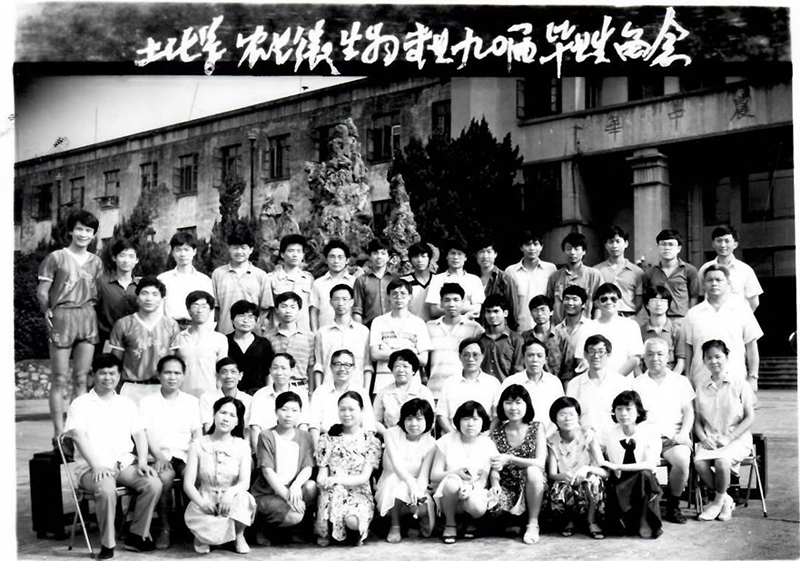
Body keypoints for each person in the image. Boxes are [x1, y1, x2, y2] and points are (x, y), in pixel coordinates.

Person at [64, 353, 162, 559]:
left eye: (112, 373)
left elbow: (139, 434)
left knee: (153, 483)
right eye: (102, 373)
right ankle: (108, 544)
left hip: (123, 464)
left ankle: (137, 536)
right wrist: (96, 465)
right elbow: (78, 437)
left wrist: (142, 461)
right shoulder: (80, 404)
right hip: (92, 468)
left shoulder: (126, 403)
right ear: (93, 375)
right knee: (106, 489)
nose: (107, 378)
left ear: (118, 376)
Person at [38, 209, 104, 446]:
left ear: (93, 234)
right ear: (71, 231)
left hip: (87, 316)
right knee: (59, 377)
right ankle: (58, 433)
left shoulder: (96, 262)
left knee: (81, 378)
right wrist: (47, 309)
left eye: (88, 230)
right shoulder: (56, 257)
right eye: (79, 229)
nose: (83, 234)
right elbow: (42, 291)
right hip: (62, 316)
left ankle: (77, 431)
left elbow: (99, 292)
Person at [138, 355, 202, 550]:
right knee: (164, 479)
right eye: (167, 372)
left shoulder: (191, 402)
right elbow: (145, 433)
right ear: (159, 375)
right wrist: (158, 456)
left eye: (177, 373)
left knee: (197, 477)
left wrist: (196, 456)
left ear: (183, 376)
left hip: (185, 455)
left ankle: (196, 526)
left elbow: (197, 434)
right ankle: (165, 527)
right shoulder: (147, 402)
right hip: (160, 456)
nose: (172, 377)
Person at [633, 338, 695, 524]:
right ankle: (642, 506)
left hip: (673, 437)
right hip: (645, 438)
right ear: (644, 358)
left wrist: (684, 433)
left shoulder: (680, 381)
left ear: (668, 356)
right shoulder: (636, 384)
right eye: (650, 354)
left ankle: (673, 505)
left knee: (682, 460)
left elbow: (689, 412)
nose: (655, 358)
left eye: (660, 354)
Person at [184, 396, 256, 554]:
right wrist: (202, 503)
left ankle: (238, 535)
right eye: (223, 413)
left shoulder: (242, 446)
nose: (226, 418)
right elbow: (188, 484)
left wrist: (230, 493)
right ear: (214, 414)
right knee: (205, 526)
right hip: (206, 498)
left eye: (232, 415)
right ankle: (202, 536)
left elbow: (245, 482)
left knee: (244, 498)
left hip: (231, 501)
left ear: (237, 422)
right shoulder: (198, 444)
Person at [693, 339, 756, 522]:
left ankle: (717, 502)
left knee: (722, 461)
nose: (713, 361)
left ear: (726, 357)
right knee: (699, 463)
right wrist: (703, 438)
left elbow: (750, 417)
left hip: (737, 438)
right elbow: (697, 421)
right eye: (709, 358)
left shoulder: (740, 384)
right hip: (711, 438)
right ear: (704, 361)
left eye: (718, 356)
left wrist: (730, 437)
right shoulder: (701, 387)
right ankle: (726, 500)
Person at [315, 391, 383, 546]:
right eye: (342, 409)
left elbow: (364, 477)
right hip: (332, 491)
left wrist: (337, 480)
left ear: (361, 410)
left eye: (351, 409)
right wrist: (324, 481)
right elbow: (322, 473)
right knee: (331, 494)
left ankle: (355, 531)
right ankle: (326, 530)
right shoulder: (326, 439)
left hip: (358, 492)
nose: (346, 414)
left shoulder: (371, 441)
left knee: (353, 522)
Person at [251, 391, 317, 542]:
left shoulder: (305, 436)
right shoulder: (266, 435)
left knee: (311, 487)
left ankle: (294, 529)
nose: (289, 415)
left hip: (292, 489)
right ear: (276, 411)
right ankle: (264, 527)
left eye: (294, 410)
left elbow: (307, 467)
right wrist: (288, 497)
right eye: (284, 409)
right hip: (268, 493)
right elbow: (267, 471)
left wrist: (295, 486)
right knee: (295, 515)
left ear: (300, 413)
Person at [430, 401, 500, 545]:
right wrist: (455, 473)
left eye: (475, 419)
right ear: (458, 421)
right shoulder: (446, 441)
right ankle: (450, 524)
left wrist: (476, 487)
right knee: (451, 482)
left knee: (476, 506)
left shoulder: (487, 444)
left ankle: (469, 522)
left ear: (483, 421)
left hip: (474, 491)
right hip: (448, 496)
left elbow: (487, 476)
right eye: (466, 419)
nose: (470, 424)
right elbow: (434, 475)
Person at [684, 264, 763, 390]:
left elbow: (751, 345)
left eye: (719, 280)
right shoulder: (693, 314)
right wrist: (687, 376)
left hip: (735, 379)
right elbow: (688, 348)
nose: (714, 284)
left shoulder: (742, 310)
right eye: (709, 280)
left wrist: (753, 377)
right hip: (701, 381)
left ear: (728, 283)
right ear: (703, 285)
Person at [599, 390, 663, 539]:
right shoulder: (610, 433)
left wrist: (618, 466)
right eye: (619, 409)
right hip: (619, 482)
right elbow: (596, 451)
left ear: (638, 411)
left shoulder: (650, 432)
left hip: (644, 482)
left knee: (645, 475)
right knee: (617, 530)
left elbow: (650, 464)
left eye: (628, 409)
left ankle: (644, 520)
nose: (623, 414)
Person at [488, 385, 547, 545]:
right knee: (492, 509)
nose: (513, 407)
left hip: (533, 485)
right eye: (508, 403)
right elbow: (494, 466)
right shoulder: (497, 433)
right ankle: (515, 520)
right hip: (507, 485)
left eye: (518, 402)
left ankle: (533, 523)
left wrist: (510, 458)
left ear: (527, 405)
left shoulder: (537, 427)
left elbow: (540, 462)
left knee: (533, 471)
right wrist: (495, 483)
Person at [109, 276, 181, 406]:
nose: (149, 298)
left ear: (162, 299)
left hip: (161, 388)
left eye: (155, 294)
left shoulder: (171, 325)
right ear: (137, 298)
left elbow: (173, 362)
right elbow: (115, 361)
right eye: (144, 293)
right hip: (131, 387)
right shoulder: (123, 324)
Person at [375, 398, 437, 544]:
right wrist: (411, 485)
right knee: (396, 484)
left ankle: (413, 519)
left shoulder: (431, 443)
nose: (413, 424)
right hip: (391, 480)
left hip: (416, 483)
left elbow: (423, 475)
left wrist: (418, 490)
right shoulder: (391, 434)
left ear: (428, 420)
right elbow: (397, 467)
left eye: (419, 419)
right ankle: (395, 525)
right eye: (409, 418)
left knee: (421, 505)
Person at [546, 396, 607, 540]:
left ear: (578, 417)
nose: (567, 418)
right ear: (555, 419)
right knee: (559, 487)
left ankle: (591, 521)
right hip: (568, 486)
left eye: (571, 414)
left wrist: (587, 469)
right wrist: (564, 475)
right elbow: (552, 474)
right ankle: (569, 521)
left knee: (593, 481)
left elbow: (605, 471)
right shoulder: (552, 440)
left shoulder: (588, 436)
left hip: (588, 489)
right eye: (562, 414)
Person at [369, 278, 431, 392]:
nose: (399, 297)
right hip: (383, 380)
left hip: (412, 383)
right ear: (388, 296)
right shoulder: (378, 321)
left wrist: (388, 352)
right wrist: (410, 353)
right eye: (394, 294)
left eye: (403, 293)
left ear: (410, 296)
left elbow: (423, 359)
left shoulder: (418, 323)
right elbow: (374, 354)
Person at [425, 282, 484, 397]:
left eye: (456, 300)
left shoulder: (475, 328)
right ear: (441, 303)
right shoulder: (429, 327)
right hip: (435, 391)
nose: (451, 304)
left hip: (465, 391)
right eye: (447, 300)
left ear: (463, 302)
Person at [211, 225, 272, 335]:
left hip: (253, 336)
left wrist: (256, 326)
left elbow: (265, 308)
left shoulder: (261, 275)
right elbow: (215, 308)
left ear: (251, 250)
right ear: (229, 248)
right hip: (224, 334)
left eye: (243, 248)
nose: (239, 252)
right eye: (235, 247)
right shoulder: (218, 274)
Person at [573, 283, 644, 377]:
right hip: (594, 381)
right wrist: (597, 379)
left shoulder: (631, 326)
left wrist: (614, 379)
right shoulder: (587, 327)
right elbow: (581, 358)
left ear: (620, 302)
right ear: (597, 303)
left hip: (623, 382)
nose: (609, 302)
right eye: (604, 299)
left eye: (613, 299)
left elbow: (635, 358)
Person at [566, 335, 632, 434]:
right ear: (585, 354)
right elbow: (570, 416)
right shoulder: (574, 385)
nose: (596, 356)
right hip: (584, 439)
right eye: (592, 351)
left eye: (601, 352)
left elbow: (629, 415)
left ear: (608, 354)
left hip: (615, 438)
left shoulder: (622, 383)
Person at [495, 339, 564, 434]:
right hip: (517, 436)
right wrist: (517, 435)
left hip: (549, 435)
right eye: (530, 355)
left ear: (545, 360)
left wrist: (544, 437)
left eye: (539, 356)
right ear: (523, 358)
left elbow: (561, 412)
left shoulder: (554, 382)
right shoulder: (511, 381)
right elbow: (500, 410)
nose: (535, 360)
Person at [308, 350, 377, 445]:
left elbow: (369, 426)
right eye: (337, 364)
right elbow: (314, 425)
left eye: (347, 365)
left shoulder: (361, 392)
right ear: (331, 367)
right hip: (326, 441)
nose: (342, 368)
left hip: (356, 443)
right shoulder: (320, 392)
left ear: (353, 368)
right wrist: (317, 448)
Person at [313, 284, 372, 390]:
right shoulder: (322, 332)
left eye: (345, 299)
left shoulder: (363, 332)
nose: (340, 303)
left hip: (356, 388)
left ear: (352, 302)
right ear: (330, 302)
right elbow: (319, 365)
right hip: (328, 388)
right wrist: (318, 391)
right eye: (336, 299)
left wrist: (365, 392)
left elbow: (367, 365)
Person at [436, 338, 501, 434]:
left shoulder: (493, 383)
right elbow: (441, 414)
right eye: (466, 355)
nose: (471, 359)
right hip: (453, 436)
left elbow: (497, 416)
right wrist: (453, 436)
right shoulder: (450, 383)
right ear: (460, 357)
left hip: (483, 436)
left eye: (475, 355)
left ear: (482, 357)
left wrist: (486, 435)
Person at [641, 229, 701, 331]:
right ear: (658, 247)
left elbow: (694, 297)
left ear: (679, 248)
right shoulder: (649, 273)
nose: (667, 248)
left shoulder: (689, 271)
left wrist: (690, 320)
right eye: (663, 244)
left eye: (671, 244)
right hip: (657, 320)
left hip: (681, 320)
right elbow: (646, 299)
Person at [248, 353, 310, 452]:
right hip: (266, 448)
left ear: (292, 371)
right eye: (275, 368)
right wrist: (260, 456)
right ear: (270, 370)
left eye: (283, 368)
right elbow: (255, 428)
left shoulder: (301, 394)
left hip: (293, 448)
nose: (279, 372)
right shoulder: (260, 395)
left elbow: (303, 426)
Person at [175, 291, 228, 399]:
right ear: (188, 310)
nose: (200, 310)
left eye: (204, 306)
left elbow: (222, 372)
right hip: (182, 396)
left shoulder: (220, 339)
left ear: (211, 310)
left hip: (210, 396)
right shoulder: (179, 337)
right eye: (195, 306)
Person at [698, 225, 763, 312]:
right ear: (713, 244)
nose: (723, 245)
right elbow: (700, 296)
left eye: (727, 241)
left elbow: (754, 302)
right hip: (711, 317)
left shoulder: (745, 270)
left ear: (735, 244)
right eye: (719, 241)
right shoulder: (705, 269)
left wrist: (743, 317)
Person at [259, 291, 315, 392]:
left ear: (299, 310)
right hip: (276, 388)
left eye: (293, 307)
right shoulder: (268, 337)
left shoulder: (309, 337)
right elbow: (266, 368)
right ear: (276, 309)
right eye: (284, 306)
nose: (288, 311)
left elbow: (311, 367)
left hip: (301, 388)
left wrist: (311, 392)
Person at [373, 349, 435, 436]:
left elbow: (431, 422)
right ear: (392, 370)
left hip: (419, 439)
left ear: (413, 370)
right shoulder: (384, 393)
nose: (401, 370)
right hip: (390, 438)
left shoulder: (424, 392)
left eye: (405, 366)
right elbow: (375, 421)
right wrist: (388, 435)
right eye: (397, 366)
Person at [157, 231, 213, 327]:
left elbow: (210, 312)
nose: (182, 254)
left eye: (186, 250)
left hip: (196, 328)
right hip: (169, 328)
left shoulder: (204, 281)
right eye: (178, 250)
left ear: (194, 251)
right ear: (172, 252)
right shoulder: (162, 279)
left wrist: (206, 332)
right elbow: (157, 310)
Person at [504, 231, 557, 333]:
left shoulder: (551, 269)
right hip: (520, 329)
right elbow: (508, 302)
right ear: (521, 247)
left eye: (535, 244)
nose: (532, 248)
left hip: (546, 330)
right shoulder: (511, 272)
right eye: (528, 244)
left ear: (541, 247)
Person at [546, 232, 603, 324]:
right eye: (568, 248)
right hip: (559, 328)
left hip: (585, 327)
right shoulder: (555, 276)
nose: (572, 252)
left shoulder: (594, 275)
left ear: (584, 251)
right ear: (564, 251)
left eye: (576, 249)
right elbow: (549, 305)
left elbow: (599, 305)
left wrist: (596, 327)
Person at [95, 238, 139, 354]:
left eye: (131, 256)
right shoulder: (101, 283)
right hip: (106, 341)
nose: (126, 260)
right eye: (122, 255)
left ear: (137, 260)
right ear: (114, 258)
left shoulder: (141, 287)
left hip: (135, 342)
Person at [551, 285, 599, 387]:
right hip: (562, 380)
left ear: (583, 304)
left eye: (574, 299)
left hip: (587, 380)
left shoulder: (592, 327)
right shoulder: (556, 330)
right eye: (566, 299)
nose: (570, 303)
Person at [425, 240, 485, 320]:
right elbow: (434, 310)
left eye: (459, 254)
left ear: (465, 257)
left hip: (468, 325)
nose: (456, 257)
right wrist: (465, 310)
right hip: (442, 324)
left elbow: (477, 309)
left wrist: (449, 309)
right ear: (447, 256)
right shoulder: (437, 279)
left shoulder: (474, 280)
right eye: (452, 253)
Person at [266, 233, 314, 331]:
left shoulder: (308, 279)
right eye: (291, 251)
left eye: (299, 251)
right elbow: (265, 309)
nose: (295, 255)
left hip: (303, 333)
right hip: (277, 333)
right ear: (282, 254)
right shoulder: (271, 279)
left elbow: (311, 309)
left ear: (303, 255)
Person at [593, 226, 643, 316]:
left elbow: (639, 301)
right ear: (605, 245)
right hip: (604, 316)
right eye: (610, 242)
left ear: (626, 243)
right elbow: (595, 299)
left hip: (628, 316)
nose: (614, 246)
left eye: (618, 241)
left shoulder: (637, 272)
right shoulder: (596, 271)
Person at [226, 300, 274, 395]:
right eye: (241, 316)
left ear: (256, 320)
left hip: (258, 394)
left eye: (251, 317)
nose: (246, 320)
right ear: (232, 319)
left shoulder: (264, 343)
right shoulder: (224, 341)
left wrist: (269, 393)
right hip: (230, 393)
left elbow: (269, 373)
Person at [310, 239, 357, 331]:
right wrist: (315, 333)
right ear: (326, 260)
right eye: (332, 257)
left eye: (340, 257)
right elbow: (314, 311)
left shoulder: (354, 282)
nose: (336, 261)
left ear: (347, 260)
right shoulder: (318, 283)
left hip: (350, 333)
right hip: (324, 333)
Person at [639, 286, 686, 375]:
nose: (658, 304)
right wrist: (642, 379)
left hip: (671, 376)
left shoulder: (677, 330)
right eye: (654, 300)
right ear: (647, 305)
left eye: (663, 300)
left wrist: (671, 380)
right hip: (646, 377)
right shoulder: (640, 331)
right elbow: (637, 362)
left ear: (668, 305)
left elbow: (681, 362)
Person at [475, 238, 519, 332]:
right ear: (476, 255)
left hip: (499, 331)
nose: (485, 256)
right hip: (476, 331)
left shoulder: (504, 279)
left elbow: (512, 309)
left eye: (489, 252)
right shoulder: (471, 279)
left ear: (495, 254)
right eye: (481, 252)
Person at [199, 358, 253, 434]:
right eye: (224, 372)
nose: (229, 376)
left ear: (240, 375)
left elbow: (248, 430)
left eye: (233, 372)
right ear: (217, 376)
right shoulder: (207, 398)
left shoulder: (249, 400)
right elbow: (207, 428)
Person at [479, 294, 524, 382]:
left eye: (496, 311)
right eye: (488, 311)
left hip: (507, 388)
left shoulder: (517, 340)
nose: (492, 315)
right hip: (483, 388)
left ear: (505, 313)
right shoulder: (479, 339)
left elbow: (518, 371)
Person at [352, 238, 395, 328]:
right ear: (370, 256)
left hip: (393, 326)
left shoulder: (395, 279)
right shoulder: (361, 280)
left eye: (383, 253)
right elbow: (357, 310)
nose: (379, 257)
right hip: (370, 327)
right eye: (375, 253)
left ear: (389, 257)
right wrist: (360, 332)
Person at [521, 295, 566, 378]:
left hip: (556, 382)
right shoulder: (524, 337)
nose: (539, 314)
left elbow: (568, 370)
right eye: (535, 310)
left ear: (551, 311)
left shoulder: (562, 336)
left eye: (543, 309)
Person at [400, 241, 434, 321]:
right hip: (411, 325)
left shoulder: (438, 279)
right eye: (415, 256)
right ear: (410, 260)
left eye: (423, 256)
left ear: (429, 258)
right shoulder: (404, 282)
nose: (419, 260)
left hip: (435, 325)